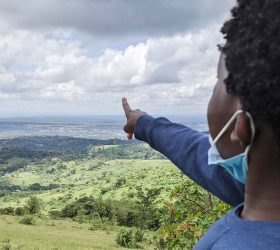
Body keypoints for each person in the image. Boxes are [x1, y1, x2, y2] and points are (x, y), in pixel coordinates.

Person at [122, 0, 280, 249]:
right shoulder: (259, 186)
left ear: (242, 126)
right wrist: (144, 124)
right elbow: (196, 153)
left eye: (218, 82)